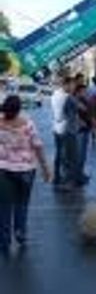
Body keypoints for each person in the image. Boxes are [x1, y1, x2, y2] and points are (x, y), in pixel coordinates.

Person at [0, 95, 52, 257]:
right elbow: (38, 146)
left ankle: (5, 240)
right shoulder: (27, 124)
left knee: (4, 206)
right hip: (26, 169)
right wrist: (46, 168)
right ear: (19, 109)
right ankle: (20, 234)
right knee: (22, 204)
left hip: (3, 169)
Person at [51, 76, 70, 187]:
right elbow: (60, 115)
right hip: (64, 128)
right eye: (70, 85)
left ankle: (57, 176)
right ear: (65, 84)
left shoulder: (54, 95)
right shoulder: (65, 96)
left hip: (56, 128)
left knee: (59, 153)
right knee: (64, 154)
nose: (72, 87)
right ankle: (63, 178)